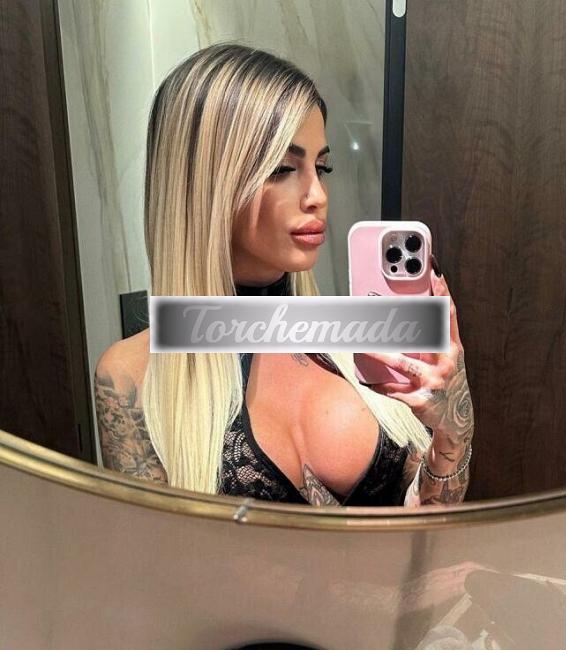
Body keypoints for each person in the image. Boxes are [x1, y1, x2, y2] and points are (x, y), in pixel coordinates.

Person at [94, 43, 474, 507]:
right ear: (207, 184)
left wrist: (452, 434)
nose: (317, 196)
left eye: (322, 167)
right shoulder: (130, 375)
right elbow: (152, 549)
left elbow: (428, 521)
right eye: (282, 168)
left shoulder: (355, 336)